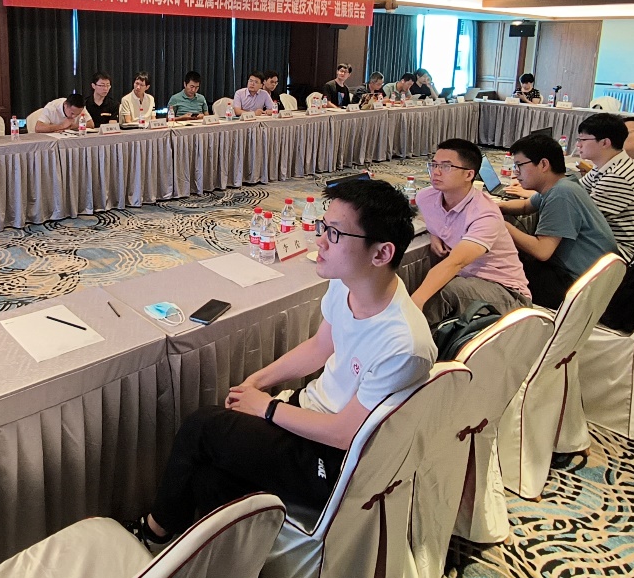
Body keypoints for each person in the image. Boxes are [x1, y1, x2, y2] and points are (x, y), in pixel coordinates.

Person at [122, 179, 437, 549]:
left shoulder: (403, 343)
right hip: (310, 415)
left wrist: (267, 408)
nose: (320, 241)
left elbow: (345, 434)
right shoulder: (347, 283)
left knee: (201, 429)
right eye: (323, 227)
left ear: (381, 253)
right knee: (211, 476)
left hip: (337, 463)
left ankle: (154, 533)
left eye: (335, 234)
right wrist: (257, 382)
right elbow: (320, 347)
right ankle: (213, 560)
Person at [411, 138, 531, 324]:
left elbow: (456, 262)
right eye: (434, 164)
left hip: (507, 292)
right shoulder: (426, 197)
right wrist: (434, 233)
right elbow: (429, 216)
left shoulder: (485, 214)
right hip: (468, 279)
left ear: (469, 175)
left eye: (446, 166)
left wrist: (415, 302)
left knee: (441, 292)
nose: (436, 172)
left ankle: (414, 339)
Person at [497, 134, 618, 309]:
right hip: (590, 278)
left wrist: (502, 225)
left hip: (576, 286)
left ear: (543, 164)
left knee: (501, 269)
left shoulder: (561, 194)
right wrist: (494, 207)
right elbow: (525, 206)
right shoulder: (563, 182)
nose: (516, 172)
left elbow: (542, 251)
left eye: (519, 165)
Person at [573, 113, 634, 260]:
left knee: (545, 251)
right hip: (612, 244)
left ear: (605, 143)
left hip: (623, 255)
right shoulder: (608, 165)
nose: (578, 144)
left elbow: (578, 216)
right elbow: (577, 190)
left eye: (583, 139)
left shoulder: (618, 175)